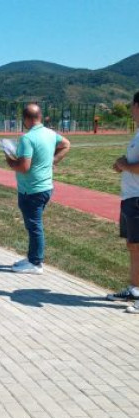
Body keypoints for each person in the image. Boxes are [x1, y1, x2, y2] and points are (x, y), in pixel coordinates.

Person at [5, 103, 70, 274]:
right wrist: (54, 160)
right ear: (40, 117)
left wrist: (9, 159)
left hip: (31, 189)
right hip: (46, 186)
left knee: (34, 226)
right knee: (34, 225)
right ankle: (32, 257)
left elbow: (24, 167)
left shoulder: (27, 138)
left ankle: (35, 262)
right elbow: (66, 144)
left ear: (26, 119)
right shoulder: (50, 134)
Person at [106, 91, 139, 313]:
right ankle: (134, 289)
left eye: (131, 105)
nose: (129, 109)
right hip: (130, 197)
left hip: (137, 199)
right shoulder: (137, 133)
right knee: (132, 245)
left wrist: (124, 164)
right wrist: (123, 164)